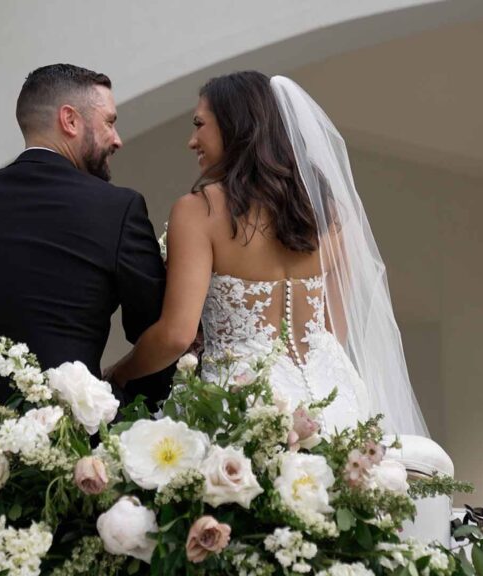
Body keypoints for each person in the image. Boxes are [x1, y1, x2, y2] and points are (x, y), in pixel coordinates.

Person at [104, 71, 428, 437]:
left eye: (199, 125)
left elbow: (177, 335)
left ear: (235, 125)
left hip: (242, 409)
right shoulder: (330, 212)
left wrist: (117, 374)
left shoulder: (199, 211)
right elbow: (333, 331)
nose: (191, 141)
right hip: (336, 407)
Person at [0, 64, 171, 471]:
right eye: (109, 122)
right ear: (70, 120)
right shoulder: (117, 209)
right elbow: (153, 331)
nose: (117, 139)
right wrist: (125, 409)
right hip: (50, 460)